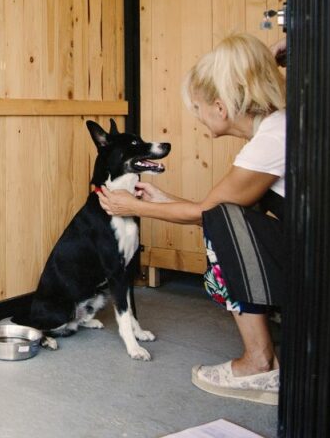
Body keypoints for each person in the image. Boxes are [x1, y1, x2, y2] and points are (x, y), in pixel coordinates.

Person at [98, 33, 286, 406]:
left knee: (222, 224)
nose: (197, 118)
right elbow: (214, 209)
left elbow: (213, 215)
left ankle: (258, 365)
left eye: (197, 108)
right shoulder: (279, 128)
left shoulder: (272, 140)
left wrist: (133, 208)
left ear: (220, 106)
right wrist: (163, 200)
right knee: (226, 219)